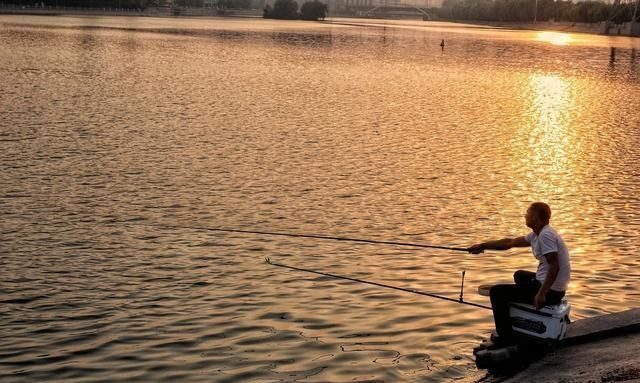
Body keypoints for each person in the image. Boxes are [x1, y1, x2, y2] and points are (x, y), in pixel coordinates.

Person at [468, 202, 571, 343]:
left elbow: (555, 266)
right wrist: (482, 246)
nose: (525, 215)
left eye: (528, 212)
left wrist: (541, 293)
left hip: (551, 291)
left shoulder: (545, 235)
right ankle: (521, 319)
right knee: (519, 275)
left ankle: (505, 337)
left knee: (498, 293)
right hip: (553, 287)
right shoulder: (537, 234)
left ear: (535, 217)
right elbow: (509, 243)